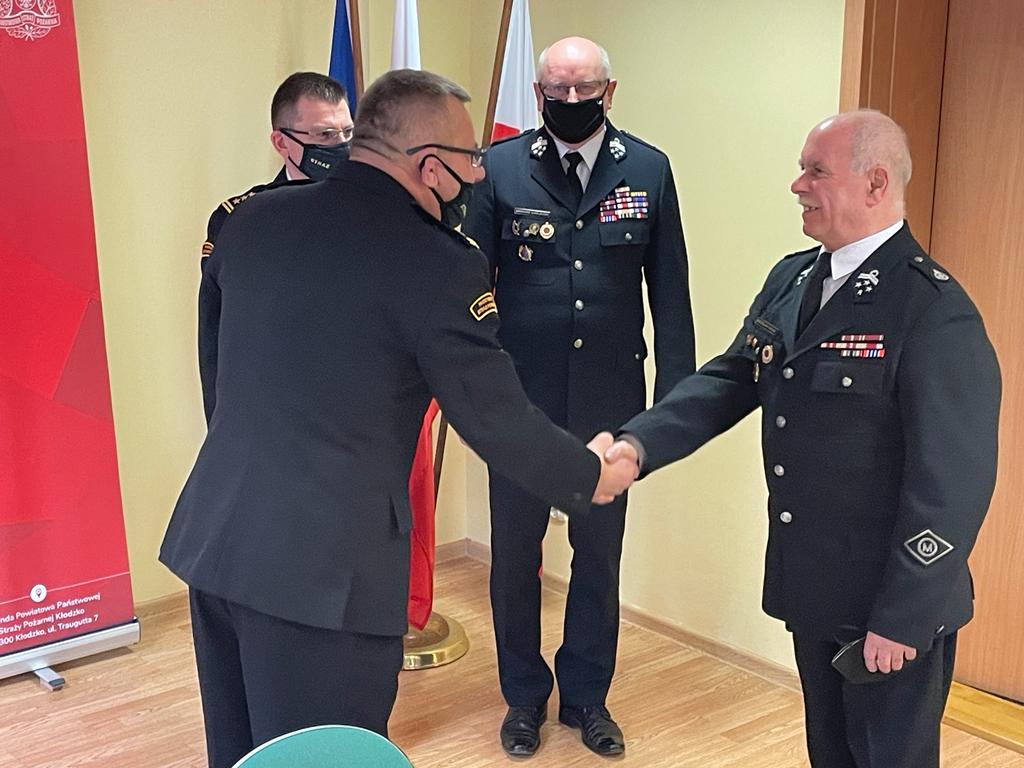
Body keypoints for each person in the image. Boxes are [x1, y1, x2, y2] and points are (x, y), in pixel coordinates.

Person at [160, 68, 638, 768]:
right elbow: (495, 415)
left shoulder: (252, 221)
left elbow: (217, 369)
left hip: (219, 541)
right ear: (431, 166)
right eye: (472, 158)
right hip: (326, 578)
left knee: (240, 755)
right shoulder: (435, 263)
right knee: (326, 759)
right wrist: (588, 474)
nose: (480, 174)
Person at [607, 110, 1001, 768]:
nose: (797, 186)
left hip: (889, 601)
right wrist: (637, 446)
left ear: (875, 183)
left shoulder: (932, 310)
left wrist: (902, 617)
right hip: (815, 585)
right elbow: (731, 378)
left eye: (816, 171)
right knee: (831, 752)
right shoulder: (793, 279)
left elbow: (952, 487)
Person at [461, 36, 694, 758]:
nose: (570, 101)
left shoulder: (648, 169)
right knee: (514, 557)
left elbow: (671, 295)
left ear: (609, 91)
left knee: (598, 557)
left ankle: (587, 697)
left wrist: (671, 411)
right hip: (520, 407)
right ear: (537, 94)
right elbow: (468, 287)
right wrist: (479, 392)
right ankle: (523, 698)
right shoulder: (499, 168)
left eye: (583, 89)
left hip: (609, 407)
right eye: (556, 90)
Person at [198, 71, 353, 422]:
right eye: (325, 135)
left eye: (347, 132)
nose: (341, 145)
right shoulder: (241, 221)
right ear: (282, 143)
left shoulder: (379, 214)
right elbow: (219, 336)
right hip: (274, 420)